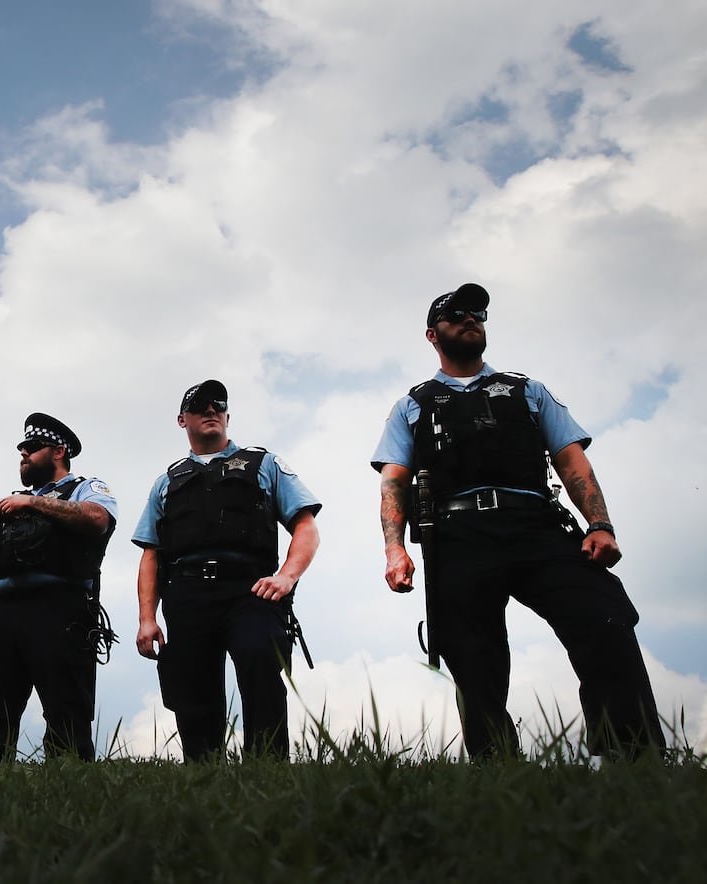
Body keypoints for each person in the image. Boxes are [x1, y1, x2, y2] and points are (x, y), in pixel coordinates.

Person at [373, 283, 664, 759]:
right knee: (472, 658)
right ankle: (499, 770)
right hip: (457, 536)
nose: (472, 319)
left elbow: (572, 462)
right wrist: (395, 548)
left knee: (604, 620)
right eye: (457, 313)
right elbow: (394, 482)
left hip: (537, 525)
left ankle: (636, 758)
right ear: (432, 334)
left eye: (479, 313)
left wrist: (600, 525)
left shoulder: (527, 390)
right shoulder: (414, 404)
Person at [132, 380, 322, 762]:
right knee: (191, 688)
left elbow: (305, 526)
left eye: (219, 404)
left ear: (228, 416)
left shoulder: (263, 464)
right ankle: (204, 775)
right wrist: (146, 618)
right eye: (201, 405)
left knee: (260, 660)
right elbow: (151, 553)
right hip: (187, 594)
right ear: (182, 419)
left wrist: (286, 576)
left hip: (252, 591)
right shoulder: (167, 481)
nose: (211, 410)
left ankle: (267, 770)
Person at [0, 413, 117, 761]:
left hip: (60, 610)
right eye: (22, 449)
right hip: (3, 614)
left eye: (32, 448)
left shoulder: (85, 488)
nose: (24, 454)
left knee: (66, 714)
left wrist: (32, 502)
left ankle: (70, 795)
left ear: (58, 451)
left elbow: (97, 518)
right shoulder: (10, 503)